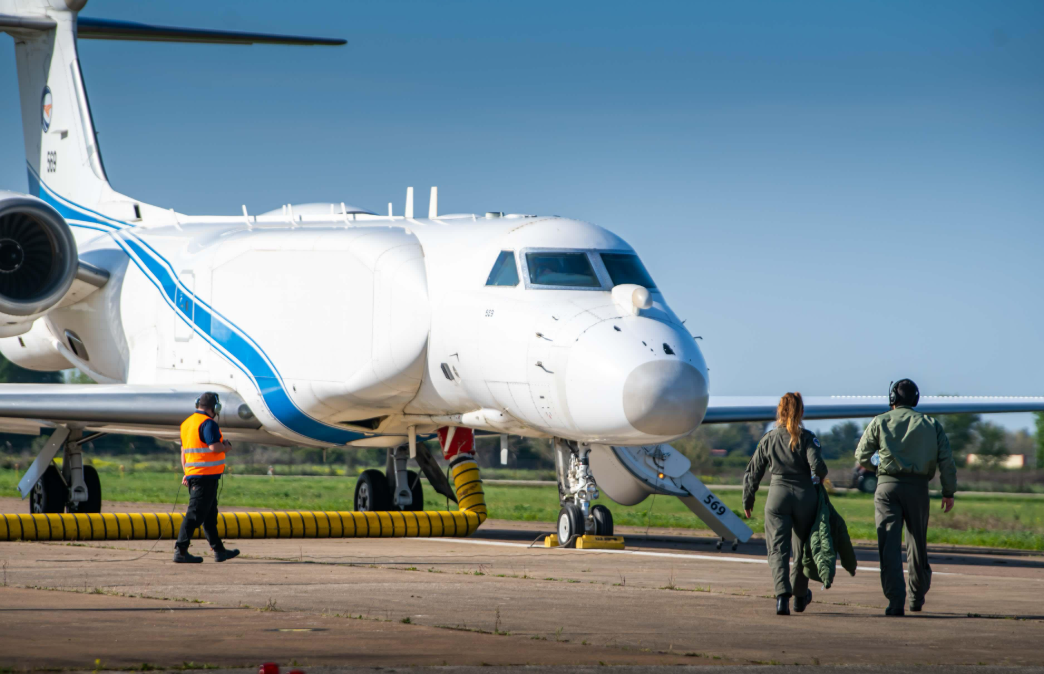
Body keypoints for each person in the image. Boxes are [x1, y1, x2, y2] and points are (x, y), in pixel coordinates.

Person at [855, 378, 955, 616]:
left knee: (888, 544)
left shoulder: (879, 421)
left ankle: (895, 601)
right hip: (918, 489)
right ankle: (916, 597)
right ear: (915, 399)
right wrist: (948, 491)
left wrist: (879, 467)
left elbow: (861, 456)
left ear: (892, 398)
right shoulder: (931, 424)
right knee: (917, 544)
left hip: (886, 488)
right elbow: (946, 461)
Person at [742, 392, 828, 615]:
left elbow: (753, 472)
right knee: (802, 550)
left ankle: (782, 597)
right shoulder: (807, 438)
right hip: (804, 497)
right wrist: (820, 477)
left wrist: (748, 499)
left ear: (779, 411)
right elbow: (818, 467)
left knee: (778, 549)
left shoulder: (768, 438)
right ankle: (800, 597)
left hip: (777, 496)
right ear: (801, 412)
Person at [174, 392, 240, 564]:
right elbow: (214, 447)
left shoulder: (187, 423)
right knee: (195, 515)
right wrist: (226, 447)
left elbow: (184, 452)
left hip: (197, 476)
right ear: (215, 408)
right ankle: (181, 550)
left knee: (210, 516)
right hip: (205, 477)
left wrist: (187, 473)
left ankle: (219, 551)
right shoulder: (208, 423)